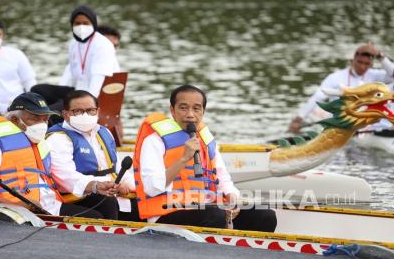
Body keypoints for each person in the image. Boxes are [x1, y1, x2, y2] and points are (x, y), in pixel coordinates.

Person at [133, 84, 277, 231]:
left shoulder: (206, 139)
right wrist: (184, 158)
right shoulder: (154, 140)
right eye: (183, 108)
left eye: (196, 108)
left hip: (207, 207)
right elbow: (152, 188)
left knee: (265, 215)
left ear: (203, 111)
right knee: (215, 216)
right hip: (167, 212)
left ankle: (241, 252)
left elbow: (223, 179)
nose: (190, 114)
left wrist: (233, 199)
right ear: (172, 110)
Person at [0, 92, 118, 217]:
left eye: (45, 119)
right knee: (93, 218)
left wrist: (95, 186)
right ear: (15, 120)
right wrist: (14, 205)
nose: (42, 125)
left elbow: (61, 175)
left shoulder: (38, 142)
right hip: (13, 214)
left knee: (105, 204)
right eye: (34, 119)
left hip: (48, 206)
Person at [46, 90, 138, 220]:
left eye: (91, 110)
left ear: (98, 111)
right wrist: (99, 185)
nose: (85, 115)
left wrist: (135, 186)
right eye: (77, 111)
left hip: (112, 192)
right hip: (78, 196)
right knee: (107, 202)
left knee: (145, 200)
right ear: (65, 114)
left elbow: (116, 170)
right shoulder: (58, 138)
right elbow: (65, 177)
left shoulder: (104, 132)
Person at [288, 43, 394, 133]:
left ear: (371, 64)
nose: (363, 67)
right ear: (353, 60)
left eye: (367, 64)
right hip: (343, 121)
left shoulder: (376, 75)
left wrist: (380, 56)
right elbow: (318, 96)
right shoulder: (336, 77)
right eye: (360, 62)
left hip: (367, 121)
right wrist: (299, 118)